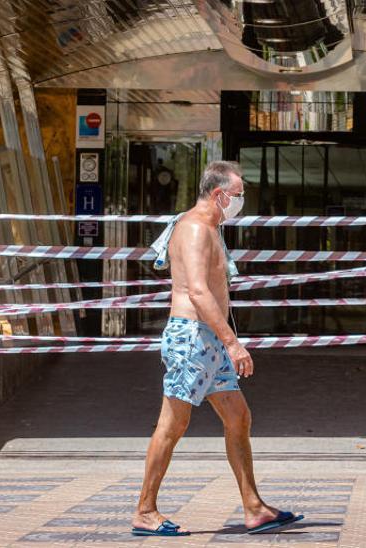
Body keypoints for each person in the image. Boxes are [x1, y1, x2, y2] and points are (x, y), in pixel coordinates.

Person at [131, 161, 303, 537]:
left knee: (238, 418)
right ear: (218, 194)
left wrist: (223, 341)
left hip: (208, 339)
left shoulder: (209, 228)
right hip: (193, 338)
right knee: (173, 424)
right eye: (238, 195)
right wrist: (233, 343)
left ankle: (255, 508)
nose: (240, 201)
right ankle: (145, 511)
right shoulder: (194, 229)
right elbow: (197, 290)